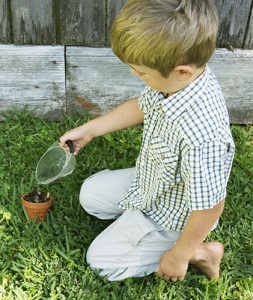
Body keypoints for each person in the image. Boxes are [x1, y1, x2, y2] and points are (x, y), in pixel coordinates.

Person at [60, 0, 235, 282]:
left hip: (174, 214)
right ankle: (137, 226)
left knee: (100, 261)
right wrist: (91, 130)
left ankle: (201, 252)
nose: (134, 74)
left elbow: (209, 206)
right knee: (90, 195)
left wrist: (180, 254)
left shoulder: (203, 138)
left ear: (182, 71)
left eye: (141, 72)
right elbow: (143, 106)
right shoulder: (178, 83)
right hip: (151, 182)